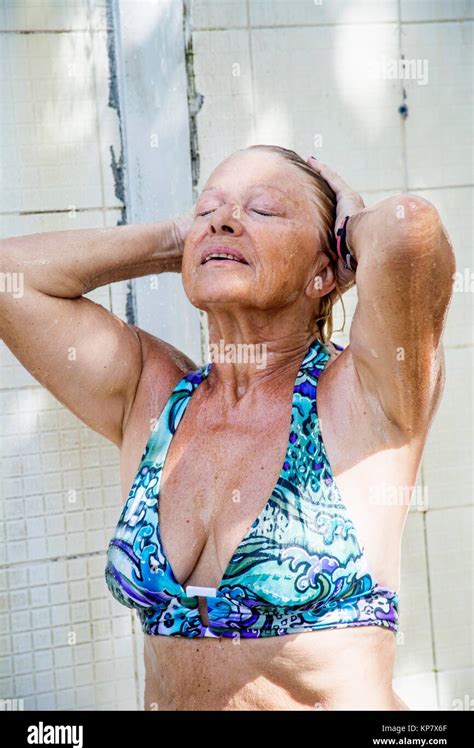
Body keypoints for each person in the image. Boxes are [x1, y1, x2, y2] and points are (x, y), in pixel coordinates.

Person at [0, 145, 455, 711]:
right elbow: (8, 278)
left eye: (263, 210)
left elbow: (410, 231)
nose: (223, 218)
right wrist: (180, 240)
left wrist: (350, 227)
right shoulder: (153, 394)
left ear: (324, 271)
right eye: (207, 209)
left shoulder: (365, 396)